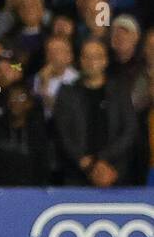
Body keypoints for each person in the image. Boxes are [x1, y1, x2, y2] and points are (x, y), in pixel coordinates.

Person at [53, 38, 136, 187]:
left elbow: (129, 130)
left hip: (113, 173)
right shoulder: (67, 93)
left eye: (97, 56)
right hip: (76, 174)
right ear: (80, 60)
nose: (92, 62)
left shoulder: (119, 91)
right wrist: (82, 160)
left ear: (105, 60)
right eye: (87, 57)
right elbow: (62, 133)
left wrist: (103, 160)